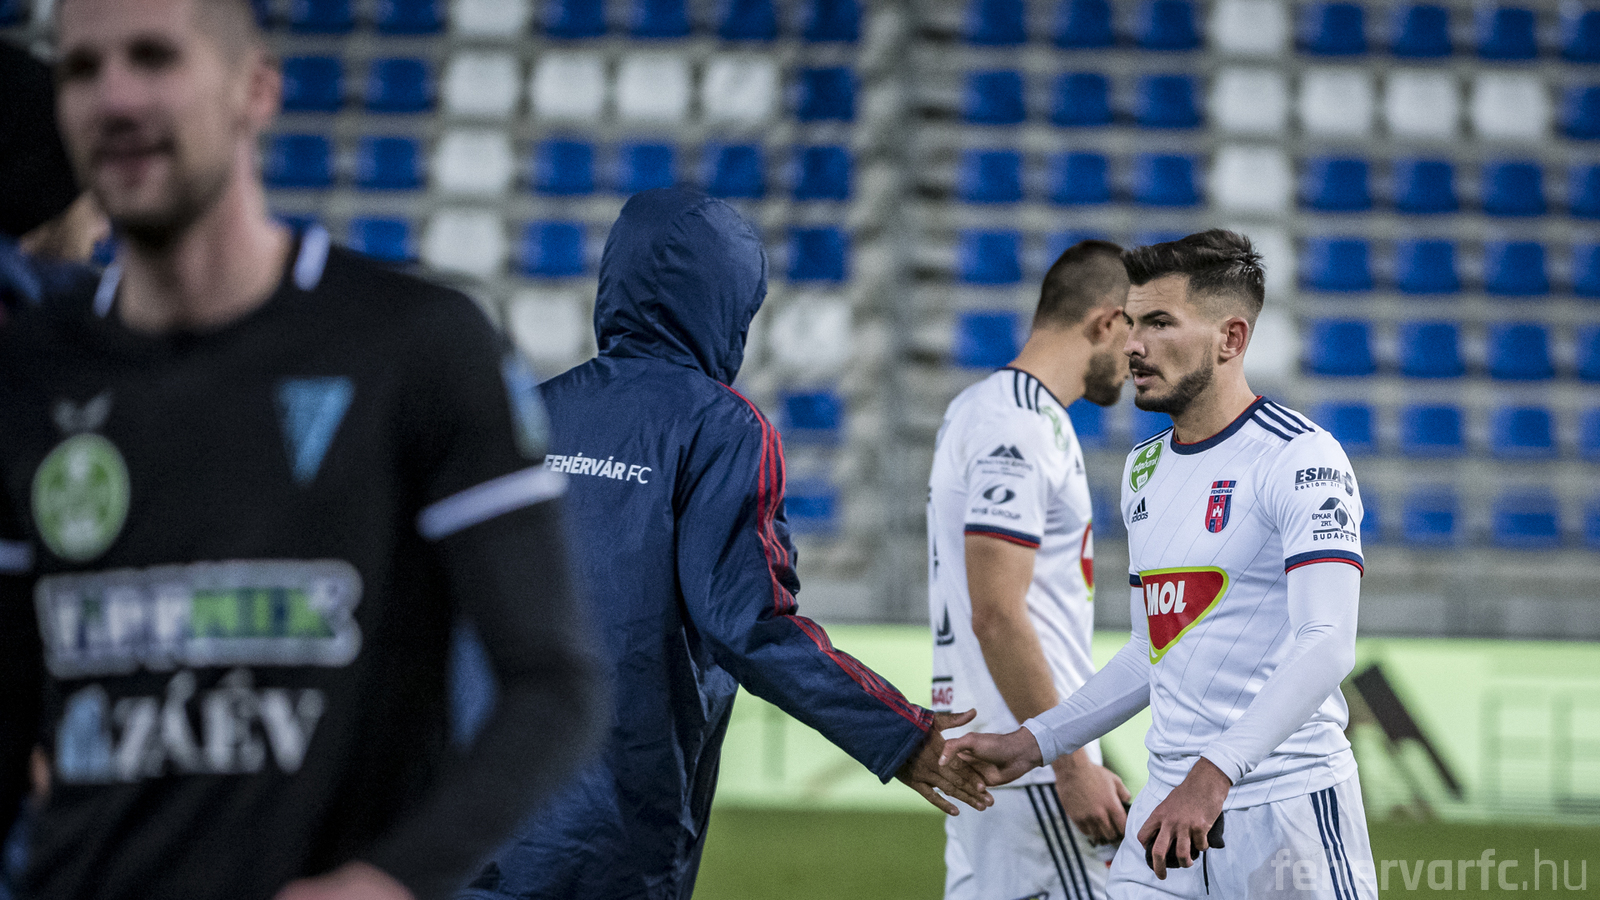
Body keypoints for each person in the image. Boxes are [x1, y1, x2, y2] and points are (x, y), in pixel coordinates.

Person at [0, 1, 607, 899]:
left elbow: (553, 685)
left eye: (154, 58)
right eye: (83, 69)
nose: (116, 98)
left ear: (257, 89)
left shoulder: (418, 345)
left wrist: (385, 880)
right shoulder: (29, 371)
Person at [461, 186, 993, 900]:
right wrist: (901, 734)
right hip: (609, 827)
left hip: (473, 808)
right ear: (726, 303)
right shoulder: (722, 428)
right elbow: (750, 623)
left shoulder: (524, 411)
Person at [942, 231, 1376, 900]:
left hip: (1286, 808)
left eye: (1159, 323)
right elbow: (1152, 651)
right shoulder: (1144, 470)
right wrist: (1035, 743)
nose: (1132, 344)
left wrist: (1215, 773)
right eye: (1132, 322)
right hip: (1167, 812)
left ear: (1231, 339)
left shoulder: (1301, 458)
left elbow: (1327, 644)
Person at [926, 240, 1134, 900]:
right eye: (1135, 331)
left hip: (1002, 754)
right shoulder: (1018, 426)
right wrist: (1069, 763)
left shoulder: (986, 409)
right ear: (1106, 322)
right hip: (1031, 766)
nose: (1138, 356)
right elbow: (996, 612)